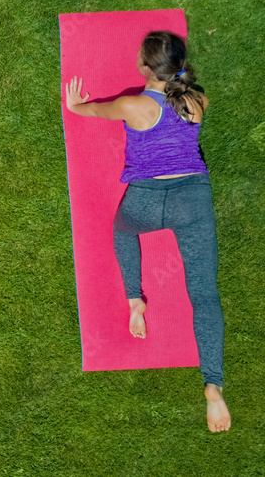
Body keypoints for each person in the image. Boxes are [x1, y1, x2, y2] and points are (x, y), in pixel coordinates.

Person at [65, 30, 230, 432]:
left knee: (123, 232)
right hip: (193, 198)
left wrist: (74, 103)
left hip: (147, 202)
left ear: (143, 66)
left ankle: (135, 300)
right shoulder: (197, 100)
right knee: (204, 293)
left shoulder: (131, 105)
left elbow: (88, 111)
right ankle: (213, 387)